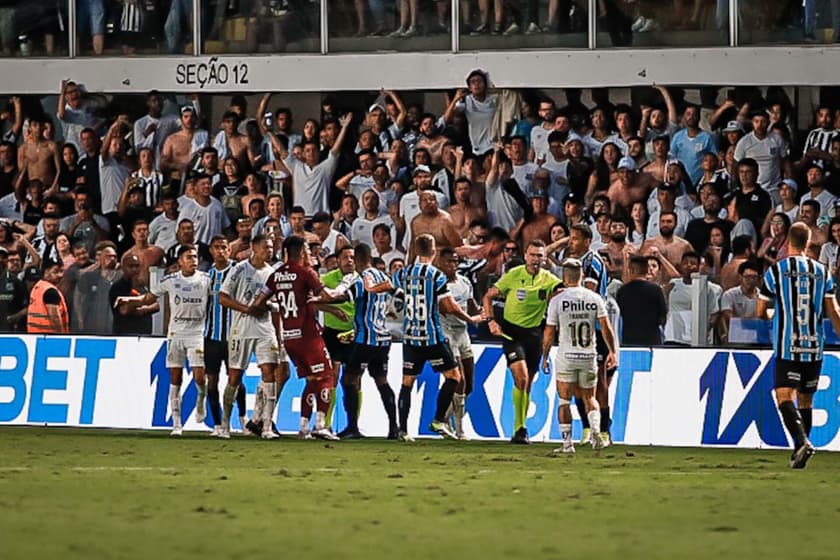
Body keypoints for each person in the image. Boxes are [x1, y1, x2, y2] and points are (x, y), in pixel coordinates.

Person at [757, 222, 840, 469]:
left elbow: (760, 311)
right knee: (806, 401)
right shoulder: (822, 272)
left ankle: (802, 442)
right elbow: (833, 310)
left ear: (788, 242)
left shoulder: (776, 271)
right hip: (814, 347)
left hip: (787, 345)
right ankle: (799, 452)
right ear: (808, 242)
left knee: (783, 396)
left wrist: (773, 315)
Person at [249, 236, 344, 441]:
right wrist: (341, 295)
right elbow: (326, 295)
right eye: (308, 250)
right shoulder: (306, 273)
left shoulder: (275, 275)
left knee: (312, 380)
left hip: (289, 338)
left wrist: (278, 306)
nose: (310, 254)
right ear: (301, 252)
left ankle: (303, 427)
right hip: (309, 336)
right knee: (327, 376)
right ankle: (320, 425)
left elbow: (258, 302)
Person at [394, 234, 483, 441]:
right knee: (454, 377)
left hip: (410, 337)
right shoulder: (436, 276)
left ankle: (403, 430)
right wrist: (470, 319)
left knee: (407, 382)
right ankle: (438, 420)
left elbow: (394, 292)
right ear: (433, 252)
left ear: (415, 251)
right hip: (433, 336)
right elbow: (449, 305)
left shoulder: (402, 274)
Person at [114, 245, 211, 436]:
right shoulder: (170, 281)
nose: (193, 260)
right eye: (189, 257)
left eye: (195, 257)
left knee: (200, 376)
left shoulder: (206, 280)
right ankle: (177, 424)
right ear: (180, 261)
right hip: (175, 334)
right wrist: (129, 300)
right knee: (176, 379)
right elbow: (148, 298)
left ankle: (201, 400)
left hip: (197, 334)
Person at [483, 239, 561, 444]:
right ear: (526, 256)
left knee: (527, 384)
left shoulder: (549, 279)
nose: (536, 259)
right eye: (533, 255)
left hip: (534, 335)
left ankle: (521, 427)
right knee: (521, 378)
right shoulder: (513, 275)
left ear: (544, 259)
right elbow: (488, 296)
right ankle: (520, 428)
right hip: (511, 334)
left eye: (539, 256)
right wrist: (491, 321)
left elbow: (564, 290)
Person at [542, 258, 618, 454]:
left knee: (564, 400)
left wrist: (544, 356)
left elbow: (549, 333)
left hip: (566, 356)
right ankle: (596, 434)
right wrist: (612, 351)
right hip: (588, 355)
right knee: (590, 397)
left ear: (564, 277)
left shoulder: (557, 300)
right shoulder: (594, 298)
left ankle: (567, 444)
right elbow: (606, 328)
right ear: (582, 276)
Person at [323, 243, 399, 439]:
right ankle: (394, 428)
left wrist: (317, 300)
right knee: (382, 380)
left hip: (365, 338)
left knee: (348, 379)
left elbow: (342, 298)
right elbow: (398, 296)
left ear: (356, 260)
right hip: (383, 338)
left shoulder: (360, 279)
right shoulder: (383, 277)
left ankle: (353, 428)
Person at [218, 235, 283, 440]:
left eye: (271, 247)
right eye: (266, 247)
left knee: (269, 373)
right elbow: (223, 297)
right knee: (235, 377)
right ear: (254, 247)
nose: (269, 251)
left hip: (264, 328)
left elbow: (277, 304)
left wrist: (269, 307)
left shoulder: (272, 273)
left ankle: (266, 426)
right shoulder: (239, 269)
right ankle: (225, 423)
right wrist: (247, 308)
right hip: (242, 329)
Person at [202, 236, 245, 437]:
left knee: (236, 379)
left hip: (234, 336)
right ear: (211, 250)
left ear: (230, 250)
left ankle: (243, 419)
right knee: (212, 380)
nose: (221, 251)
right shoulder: (206, 276)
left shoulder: (237, 272)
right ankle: (218, 424)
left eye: (224, 247)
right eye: (217, 247)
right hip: (211, 336)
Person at [438, 247, 480, 439]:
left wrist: (482, 313)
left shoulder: (464, 282)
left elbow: (471, 304)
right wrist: (472, 319)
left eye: (455, 261)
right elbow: (449, 309)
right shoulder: (438, 283)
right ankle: (460, 430)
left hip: (463, 334)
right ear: (441, 262)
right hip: (446, 333)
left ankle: (444, 420)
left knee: (468, 385)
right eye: (449, 261)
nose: (453, 265)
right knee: (459, 380)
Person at [616, 255, 667, 346]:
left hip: (629, 340)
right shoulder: (656, 290)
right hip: (652, 340)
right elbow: (663, 313)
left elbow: (620, 314)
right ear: (647, 270)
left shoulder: (622, 291)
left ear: (632, 270)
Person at [109, 253, 156, 336]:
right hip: (125, 335)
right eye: (131, 266)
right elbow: (125, 310)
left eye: (137, 266)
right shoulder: (118, 287)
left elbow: (156, 306)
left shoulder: (142, 284)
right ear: (123, 268)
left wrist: (142, 308)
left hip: (145, 334)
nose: (134, 269)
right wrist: (145, 302)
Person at [719, 260, 761, 344]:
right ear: (740, 277)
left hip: (757, 338)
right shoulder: (729, 295)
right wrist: (753, 322)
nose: (751, 280)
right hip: (736, 338)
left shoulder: (762, 297)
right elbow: (728, 317)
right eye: (747, 277)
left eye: (754, 277)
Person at [27, 259, 68, 333]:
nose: (60, 275)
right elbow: (55, 318)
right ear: (46, 272)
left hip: (34, 336)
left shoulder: (38, 286)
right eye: (55, 271)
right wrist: (62, 337)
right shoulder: (50, 291)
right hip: (50, 337)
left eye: (61, 271)